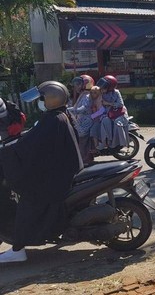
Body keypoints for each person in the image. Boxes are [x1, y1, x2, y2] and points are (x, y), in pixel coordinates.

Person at [0, 81, 83, 263]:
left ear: (52, 99)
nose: (40, 102)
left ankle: (18, 249)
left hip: (55, 177)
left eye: (42, 98)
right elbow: (34, 141)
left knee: (28, 199)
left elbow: (30, 146)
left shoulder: (53, 120)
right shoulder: (60, 115)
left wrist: (7, 153)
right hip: (60, 171)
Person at [67, 75, 95, 165]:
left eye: (79, 84)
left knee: (81, 138)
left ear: (85, 85)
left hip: (86, 120)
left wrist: (71, 110)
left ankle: (85, 160)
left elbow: (84, 108)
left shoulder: (87, 96)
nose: (77, 86)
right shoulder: (82, 95)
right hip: (81, 120)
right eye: (76, 84)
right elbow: (75, 106)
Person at [96, 75, 129, 150]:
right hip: (107, 114)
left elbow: (120, 104)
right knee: (104, 121)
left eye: (104, 87)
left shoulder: (116, 92)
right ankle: (106, 142)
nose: (102, 88)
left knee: (117, 123)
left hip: (119, 113)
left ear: (110, 87)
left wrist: (108, 103)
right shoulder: (100, 93)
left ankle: (119, 144)